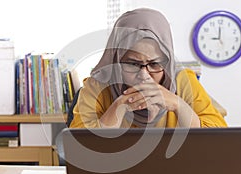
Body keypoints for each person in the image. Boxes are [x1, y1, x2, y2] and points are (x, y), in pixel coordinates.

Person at [69, 8, 227, 128]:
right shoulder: (97, 85)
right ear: (116, 61)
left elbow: (220, 137)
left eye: (154, 64)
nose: (144, 75)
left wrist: (178, 105)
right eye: (132, 64)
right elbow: (79, 145)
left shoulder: (182, 80)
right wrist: (118, 107)